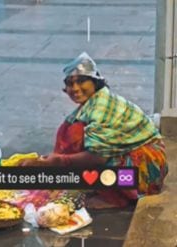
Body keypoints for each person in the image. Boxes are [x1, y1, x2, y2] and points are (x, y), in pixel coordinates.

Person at [19, 52, 168, 206]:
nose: (75, 88)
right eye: (70, 84)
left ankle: (116, 196)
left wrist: (58, 161)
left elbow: (98, 157)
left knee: (75, 134)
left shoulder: (101, 106)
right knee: (69, 131)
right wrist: (47, 161)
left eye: (81, 81)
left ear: (95, 83)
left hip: (146, 169)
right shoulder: (91, 105)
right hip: (128, 158)